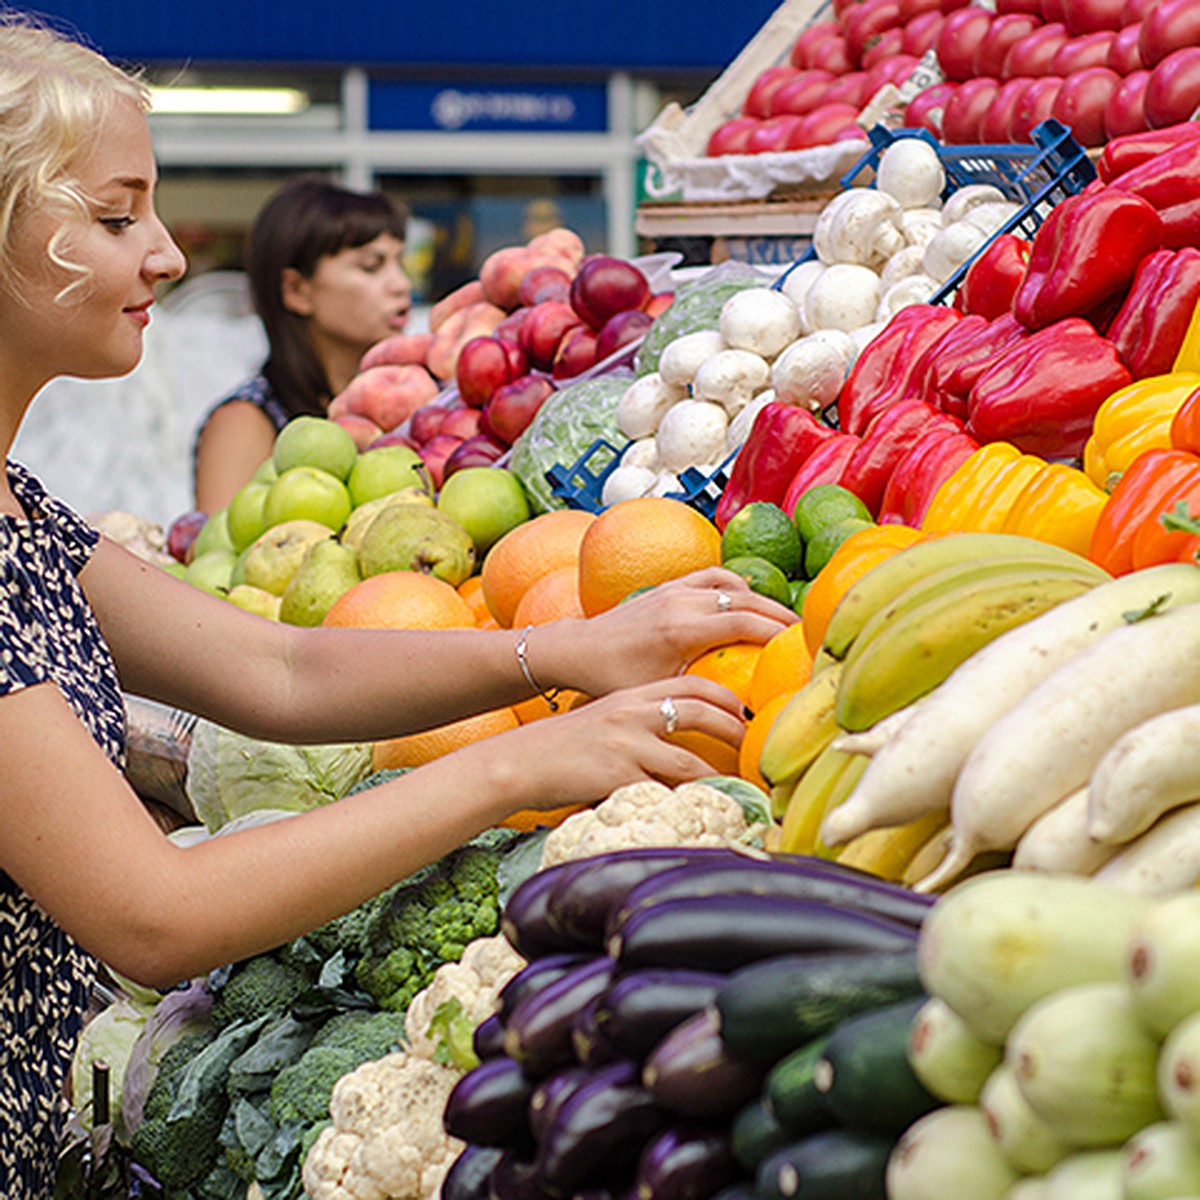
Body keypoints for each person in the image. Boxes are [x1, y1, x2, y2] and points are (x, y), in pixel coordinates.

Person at [0, 15, 794, 1192]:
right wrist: (515, 768)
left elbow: (279, 673)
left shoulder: (20, 512)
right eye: (117, 218)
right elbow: (153, 913)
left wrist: (569, 647)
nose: (166, 255)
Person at [192, 175, 413, 513]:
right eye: (371, 266)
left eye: (401, 262)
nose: (400, 284)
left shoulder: (409, 404)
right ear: (297, 290)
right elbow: (218, 553)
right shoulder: (246, 422)